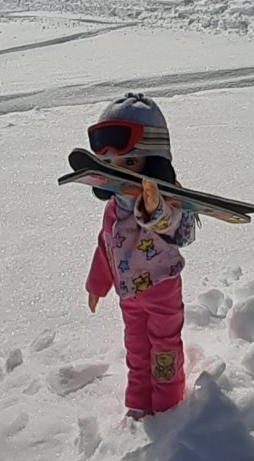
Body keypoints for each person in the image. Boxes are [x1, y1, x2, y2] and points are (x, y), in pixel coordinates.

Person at [84, 92, 197, 419]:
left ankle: (167, 408)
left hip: (161, 290)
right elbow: (107, 245)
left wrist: (155, 208)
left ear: (154, 159)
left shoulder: (168, 199)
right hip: (129, 295)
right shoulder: (114, 206)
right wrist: (97, 284)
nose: (120, 173)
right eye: (111, 165)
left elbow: (181, 230)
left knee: (163, 350)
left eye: (130, 162)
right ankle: (137, 405)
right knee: (136, 351)